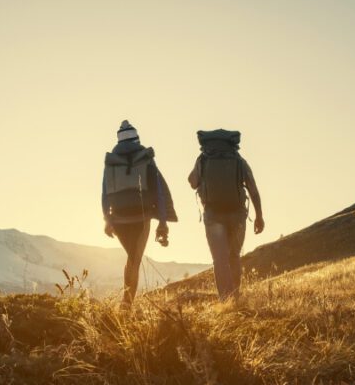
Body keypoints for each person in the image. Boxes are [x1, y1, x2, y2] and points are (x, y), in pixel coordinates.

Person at [101, 120, 177, 305]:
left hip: (118, 219)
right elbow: (158, 189)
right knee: (134, 260)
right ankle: (126, 305)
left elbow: (104, 192)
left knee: (132, 258)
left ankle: (126, 303)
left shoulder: (111, 161)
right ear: (137, 139)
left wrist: (107, 219)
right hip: (141, 217)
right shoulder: (146, 158)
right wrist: (163, 221)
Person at [188, 129, 263, 299]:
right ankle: (235, 297)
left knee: (219, 259)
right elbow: (253, 189)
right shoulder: (238, 160)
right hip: (237, 214)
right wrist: (259, 216)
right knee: (234, 256)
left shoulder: (203, 159)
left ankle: (225, 300)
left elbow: (193, 182)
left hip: (213, 214)